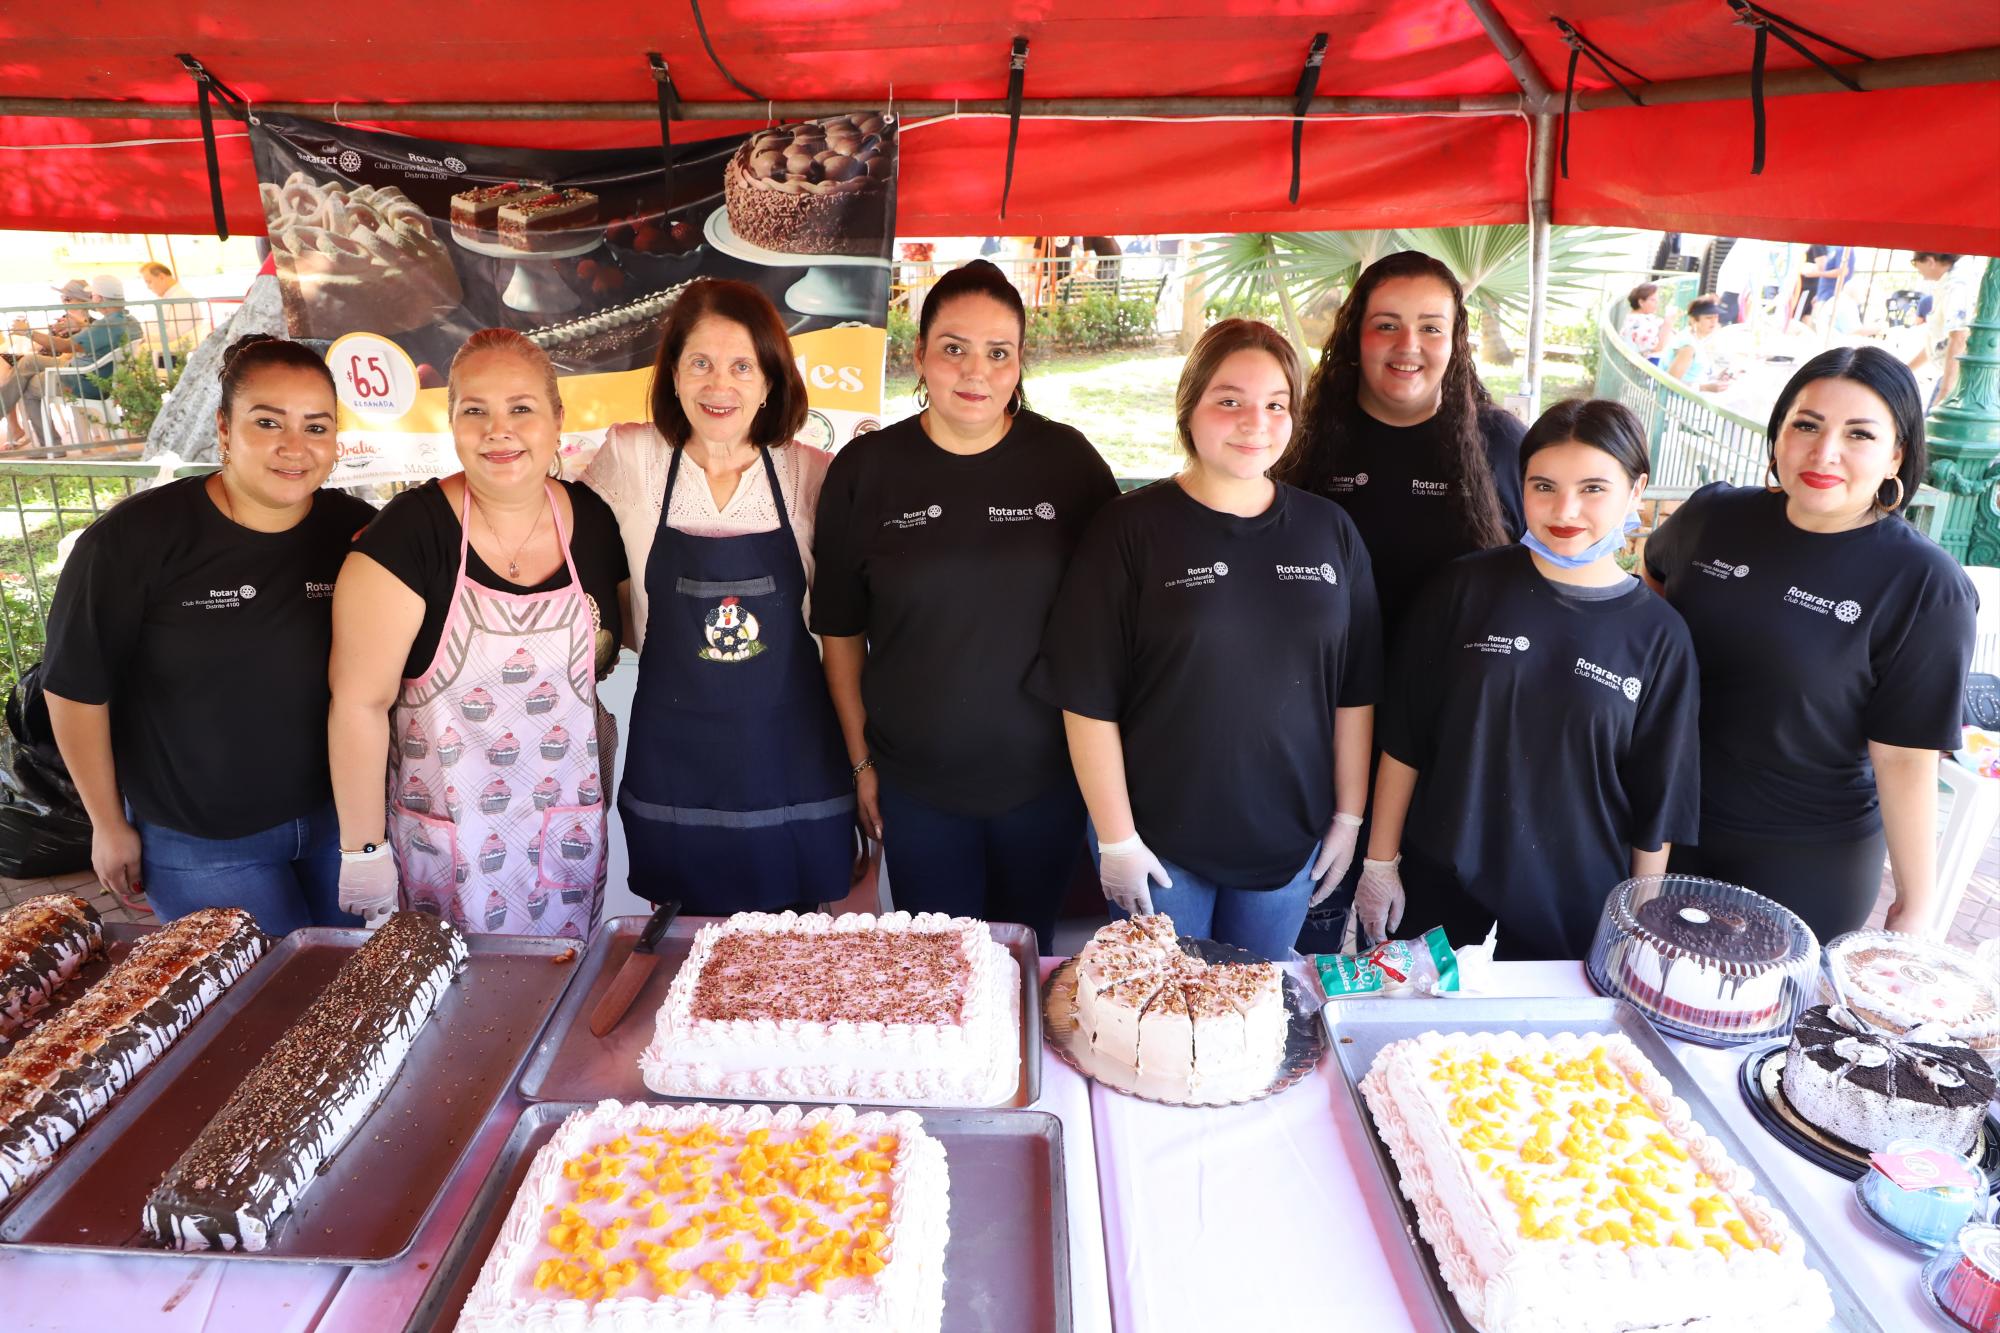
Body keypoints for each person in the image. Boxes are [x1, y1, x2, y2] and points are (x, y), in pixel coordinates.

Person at [1033, 319, 1380, 961]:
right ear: (1189, 408)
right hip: (1160, 847)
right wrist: (1116, 840)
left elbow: (1355, 693)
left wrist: (1349, 818)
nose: (1255, 421)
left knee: (1252, 1025)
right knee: (1163, 1031)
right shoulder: (1130, 530)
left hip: (1288, 842)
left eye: (1276, 404)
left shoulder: (1328, 531)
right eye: (1230, 400)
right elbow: (1085, 696)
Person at [812, 260, 1119, 950]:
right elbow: (840, 634)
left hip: (1045, 783)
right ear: (919, 354)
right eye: (954, 348)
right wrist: (861, 765)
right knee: (940, 973)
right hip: (918, 790)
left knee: (1025, 957)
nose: (975, 372)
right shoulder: (866, 472)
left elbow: (1116, 619)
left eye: (998, 353)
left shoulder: (1069, 464)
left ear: (1018, 364)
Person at [40, 334, 374, 933]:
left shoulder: (356, 532)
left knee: (353, 998)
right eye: (268, 422)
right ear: (224, 428)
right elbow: (74, 688)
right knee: (262, 1011)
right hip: (203, 843)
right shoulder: (133, 542)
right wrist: (107, 824)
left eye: (316, 427)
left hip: (341, 823)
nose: (294, 447)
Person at [1643, 346, 1975, 941]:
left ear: (1897, 454)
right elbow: (1649, 601)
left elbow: (1904, 758)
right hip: (1660, 826)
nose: (1825, 453)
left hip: (1802, 859)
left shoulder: (1925, 584)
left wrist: (1917, 902)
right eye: (1807, 425)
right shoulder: (1713, 516)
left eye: (1860, 434)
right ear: (1777, 435)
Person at [1357, 399, 1700, 959]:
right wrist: (1379, 866)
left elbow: (1657, 802)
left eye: (1593, 488)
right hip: (1440, 891)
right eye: (1544, 486)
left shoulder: (1659, 636)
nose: (1565, 509)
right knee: (1417, 1048)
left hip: (1573, 909)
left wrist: (1636, 923)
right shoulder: (1462, 590)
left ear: (1636, 491)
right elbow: (1404, 740)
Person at [330, 330, 628, 938]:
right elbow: (359, 703)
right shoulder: (409, 534)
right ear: (452, 421)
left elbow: (609, 654)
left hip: (561, 838)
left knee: (557, 1001)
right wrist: (363, 852)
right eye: (475, 411)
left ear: (556, 419)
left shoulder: (592, 521)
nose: (499, 430)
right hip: (444, 843)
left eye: (521, 408)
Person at [1275, 248, 1525, 948]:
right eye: (1386, 325)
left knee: (1425, 952)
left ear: (1457, 337)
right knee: (1310, 938)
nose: (1408, 346)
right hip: (1317, 729)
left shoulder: (1498, 442)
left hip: (1451, 740)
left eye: (1430, 327)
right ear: (1356, 333)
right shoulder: (1307, 433)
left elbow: (1549, 573)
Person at [583, 279, 851, 916]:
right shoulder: (631, 456)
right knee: (680, 952)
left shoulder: (810, 472)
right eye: (699, 363)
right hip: (678, 759)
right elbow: (556, 538)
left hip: (792, 758)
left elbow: (852, 618)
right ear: (672, 374)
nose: (718, 386)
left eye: (741, 366)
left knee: (795, 963)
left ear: (770, 381)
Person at [1909, 252, 1975, 408]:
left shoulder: (1957, 286)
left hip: (1959, 379)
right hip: (1954, 376)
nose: (1917, 270)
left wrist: (1945, 391)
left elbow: (1959, 336)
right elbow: (1940, 344)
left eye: (1915, 262)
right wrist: (1907, 369)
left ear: (1930, 261)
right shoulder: (1949, 282)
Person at [138, 261, 210, 359]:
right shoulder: (169, 298)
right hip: (160, 352)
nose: (148, 287)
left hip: (169, 356)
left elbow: (175, 334)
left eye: (149, 282)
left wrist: (143, 337)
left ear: (161, 277)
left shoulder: (182, 299)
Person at [1662, 297, 1727, 390]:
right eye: (1708, 317)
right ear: (1693, 320)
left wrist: (1716, 377)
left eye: (1716, 317)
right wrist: (1705, 388)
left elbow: (1692, 375)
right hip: (1676, 401)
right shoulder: (1688, 347)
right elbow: (1670, 382)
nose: (1714, 321)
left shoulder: (1693, 338)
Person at [1621, 283, 1666, 359]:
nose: (1656, 303)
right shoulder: (1637, 324)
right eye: (1653, 300)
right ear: (1641, 302)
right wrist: (1668, 324)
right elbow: (1657, 348)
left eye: (1657, 300)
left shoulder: (1638, 318)